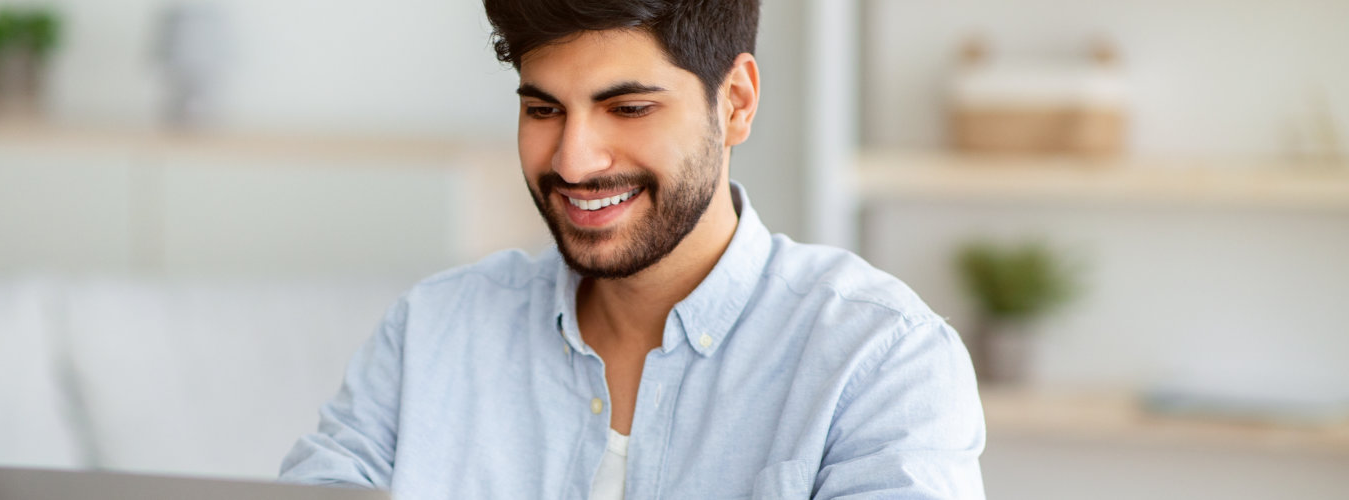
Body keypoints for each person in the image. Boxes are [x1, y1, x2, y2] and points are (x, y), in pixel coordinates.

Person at [279, 1, 985, 498]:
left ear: (735, 102)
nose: (574, 160)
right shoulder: (431, 331)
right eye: (542, 109)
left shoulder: (879, 359)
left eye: (629, 108)